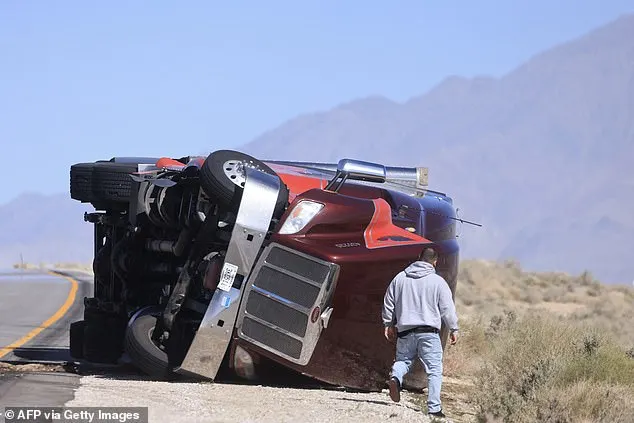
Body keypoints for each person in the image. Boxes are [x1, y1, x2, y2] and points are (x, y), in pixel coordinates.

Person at [382, 247, 459, 419]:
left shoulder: (400, 278)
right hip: (428, 333)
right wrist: (454, 328)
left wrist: (388, 323)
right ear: (435, 261)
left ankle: (395, 378)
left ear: (418, 258)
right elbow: (447, 308)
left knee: (403, 361)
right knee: (434, 370)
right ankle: (434, 409)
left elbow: (389, 301)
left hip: (405, 331)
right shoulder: (438, 282)